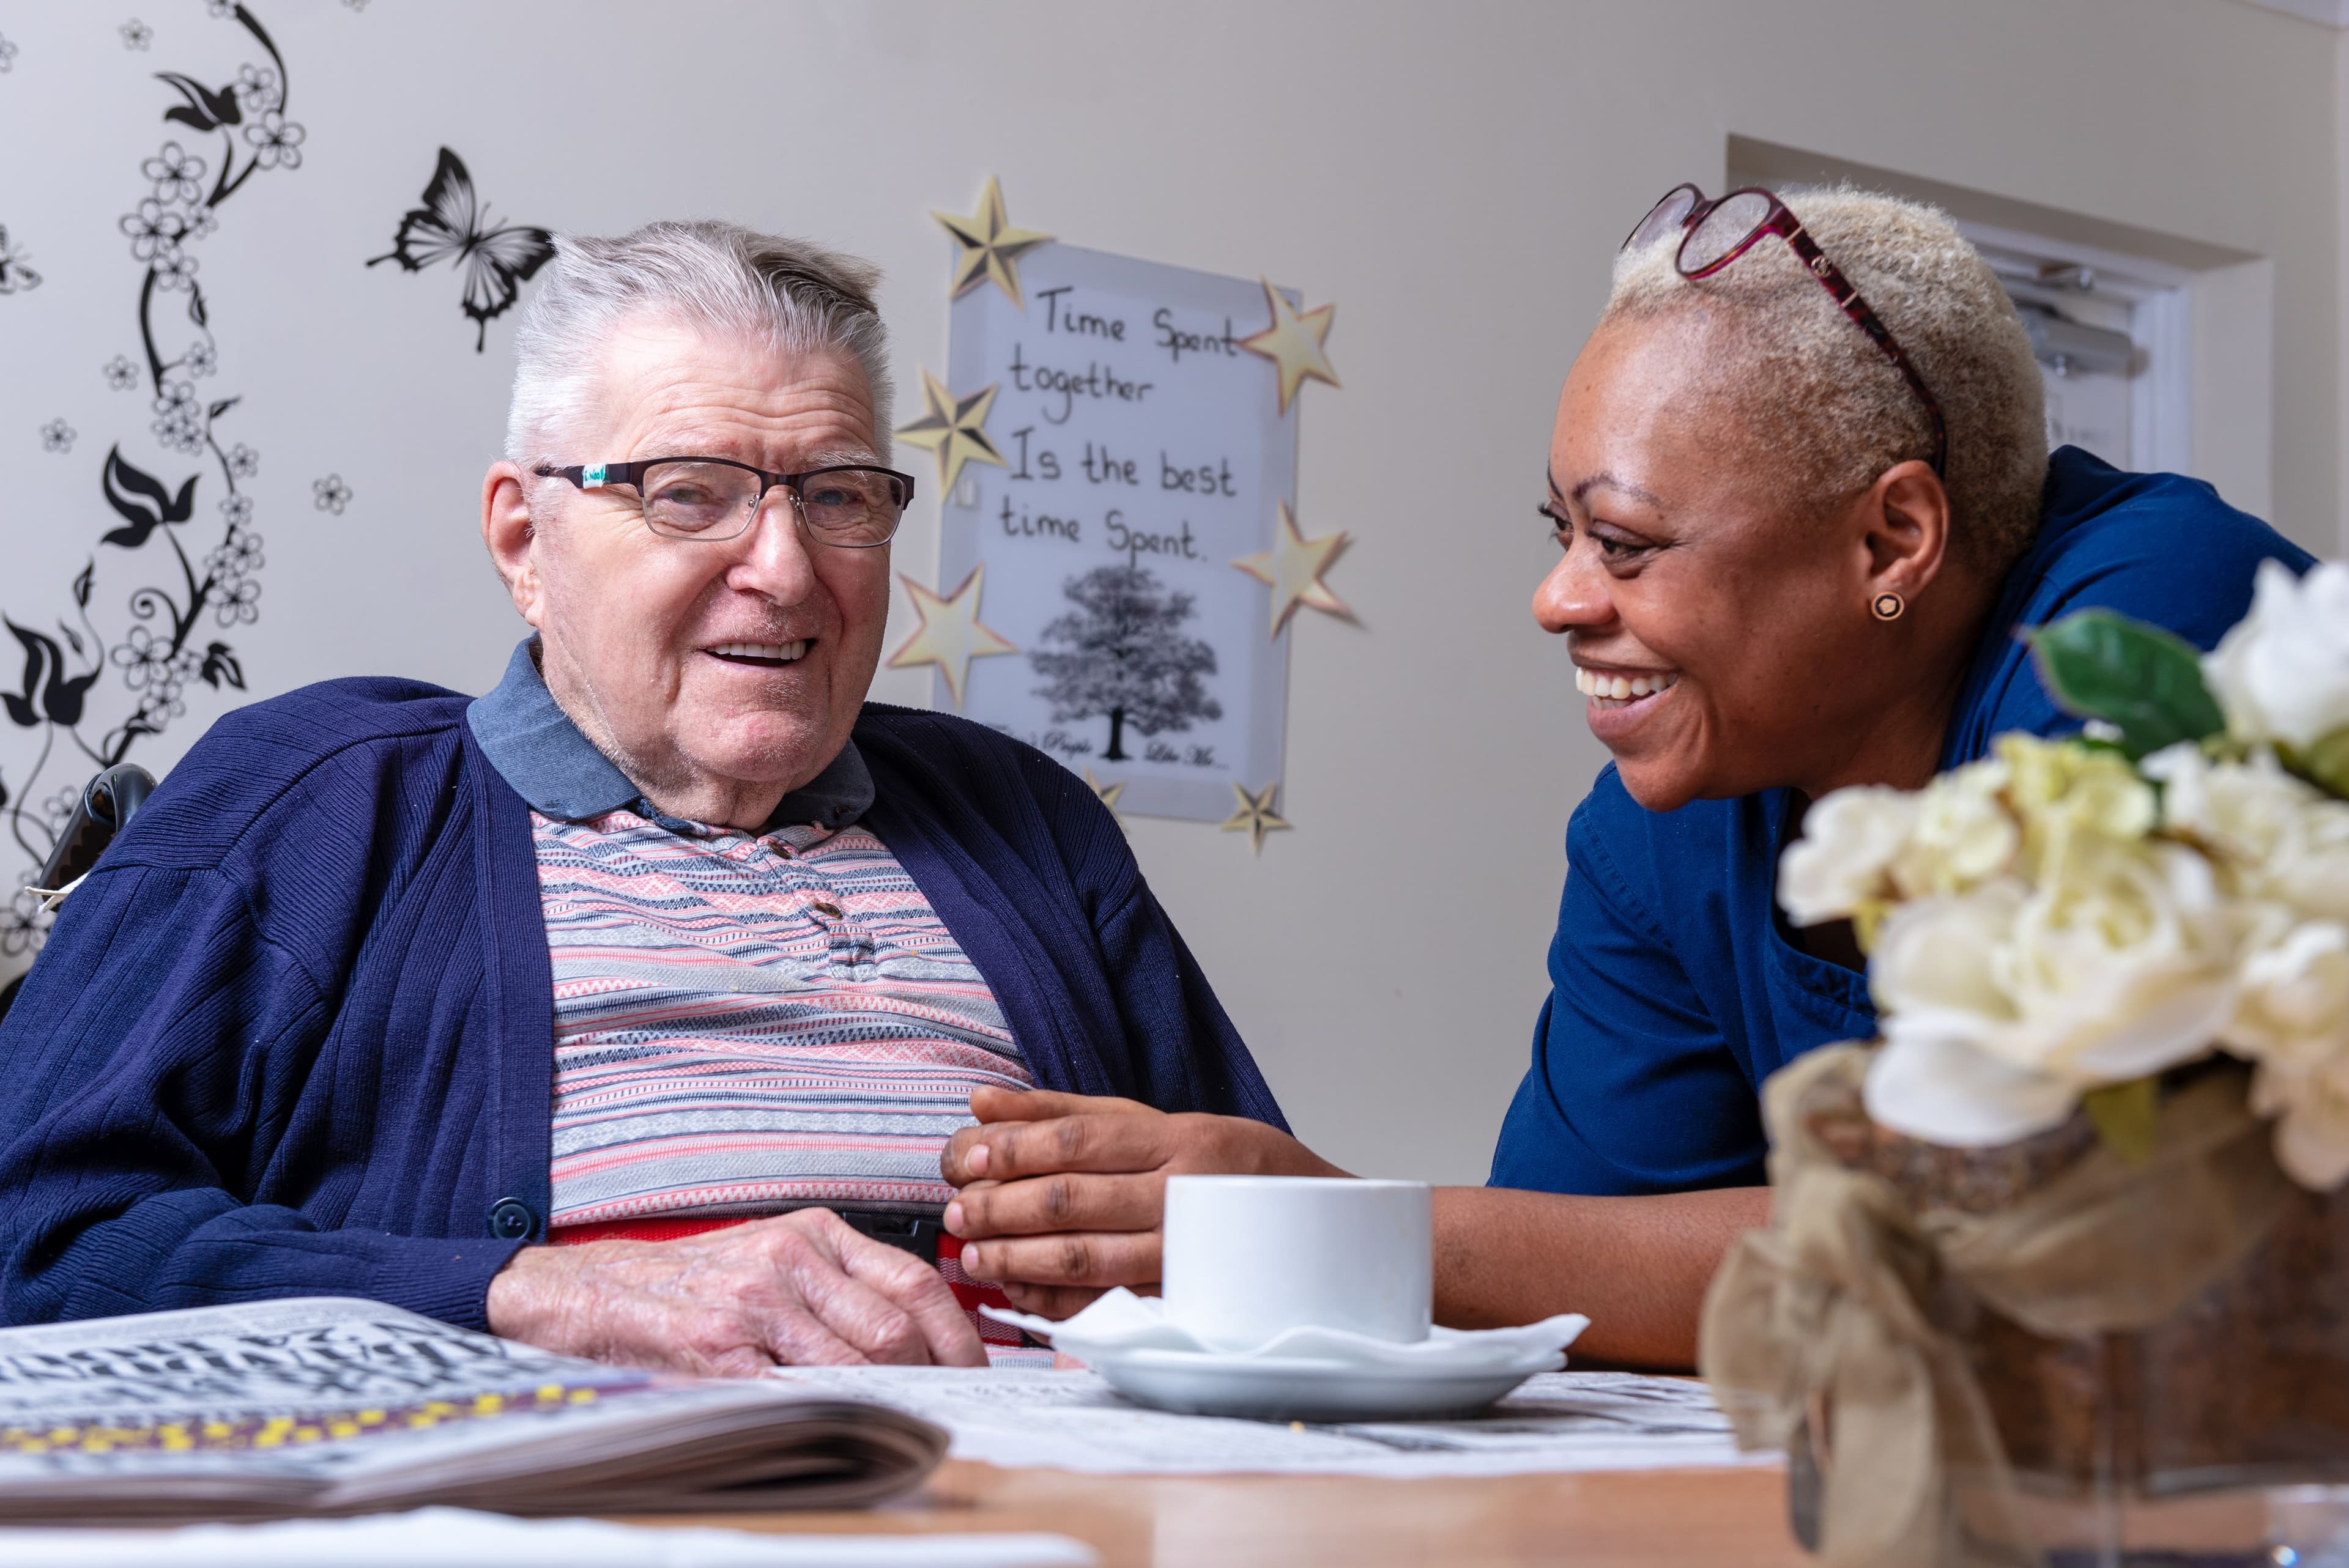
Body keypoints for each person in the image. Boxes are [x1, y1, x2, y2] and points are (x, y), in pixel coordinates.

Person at [935, 187, 2319, 1368]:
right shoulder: (1662, 822)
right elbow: (1570, 1270)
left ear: (1895, 539)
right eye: (1562, 531)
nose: (1554, 599)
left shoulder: (2155, 631)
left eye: (1628, 542)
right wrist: (1338, 1233)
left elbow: (2045, 1233)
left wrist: (1332, 1224)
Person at [0, 221, 1285, 1375]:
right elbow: (37, 1235)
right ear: (523, 539)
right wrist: (538, 1292)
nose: (782, 571)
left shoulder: (1022, 817)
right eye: (689, 495)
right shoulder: (319, 799)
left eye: (837, 496)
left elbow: (1273, 1241)